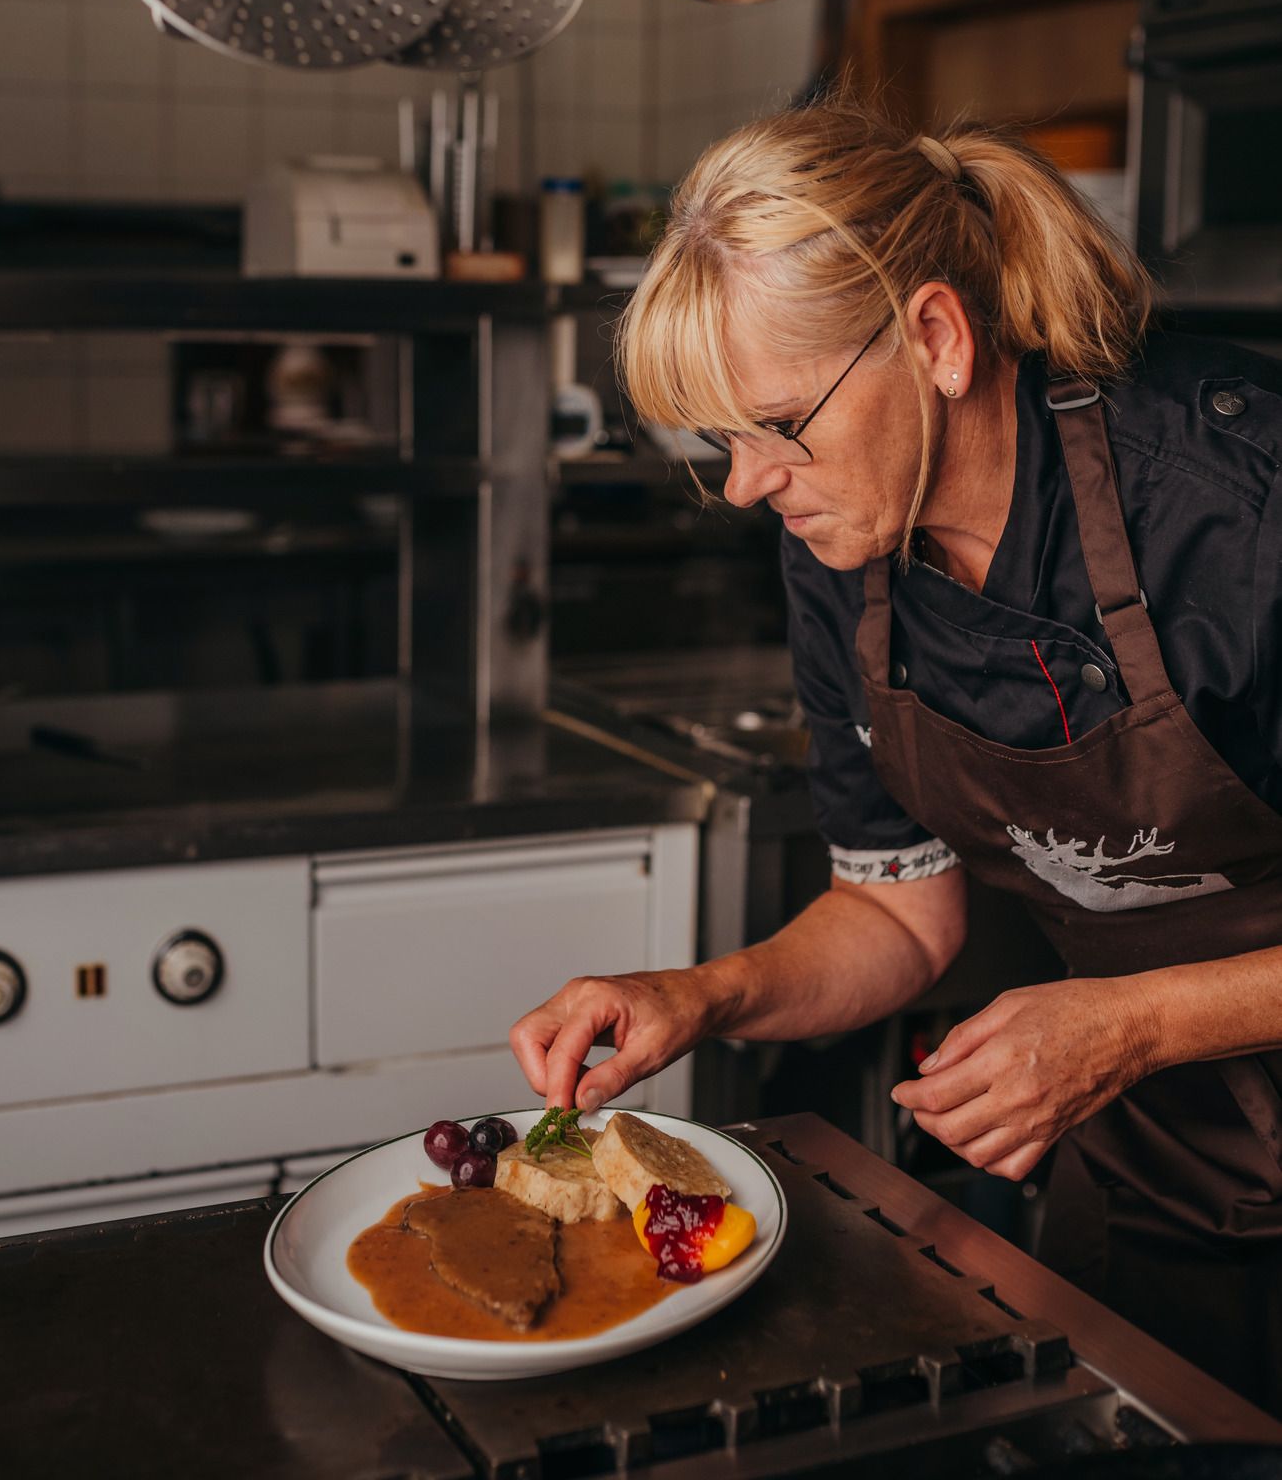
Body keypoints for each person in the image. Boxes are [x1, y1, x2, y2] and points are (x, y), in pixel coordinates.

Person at [510, 93, 1282, 1411]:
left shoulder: (1236, 504)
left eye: (776, 425)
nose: (748, 484)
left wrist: (1128, 1022)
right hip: (1163, 1183)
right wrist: (708, 996)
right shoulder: (846, 547)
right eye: (721, 444)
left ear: (932, 337)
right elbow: (900, 909)